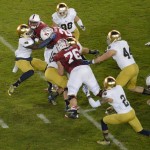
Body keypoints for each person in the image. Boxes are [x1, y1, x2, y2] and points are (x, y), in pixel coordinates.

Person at [88, 76, 150, 145]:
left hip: (123, 116)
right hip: (131, 112)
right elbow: (118, 100)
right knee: (141, 131)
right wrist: (112, 107)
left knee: (103, 121)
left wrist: (88, 95)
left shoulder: (107, 94)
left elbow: (94, 105)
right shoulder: (119, 87)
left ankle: (106, 141)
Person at [85, 30, 150, 95]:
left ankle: (114, 103)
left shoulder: (113, 46)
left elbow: (109, 54)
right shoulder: (124, 42)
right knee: (131, 87)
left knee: (114, 89)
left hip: (128, 69)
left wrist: (93, 61)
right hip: (135, 67)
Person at [53, 37, 103, 119]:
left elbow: (61, 72)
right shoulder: (74, 47)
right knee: (98, 92)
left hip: (75, 72)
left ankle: (74, 111)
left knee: (71, 93)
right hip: (86, 68)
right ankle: (115, 98)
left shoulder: (58, 55)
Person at [8, 24, 47, 96]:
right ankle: (15, 84)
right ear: (22, 34)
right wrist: (49, 39)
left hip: (28, 58)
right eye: (27, 33)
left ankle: (51, 87)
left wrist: (40, 38)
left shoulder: (26, 37)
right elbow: (36, 47)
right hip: (21, 59)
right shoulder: (22, 40)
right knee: (30, 71)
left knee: (47, 67)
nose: (29, 33)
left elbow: (35, 39)